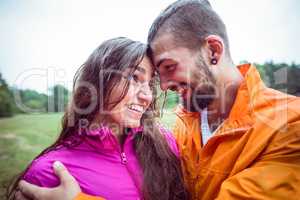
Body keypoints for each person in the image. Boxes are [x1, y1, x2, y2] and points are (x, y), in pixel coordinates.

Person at [15, 0, 300, 199]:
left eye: (167, 68)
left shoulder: (290, 125)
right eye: (137, 78)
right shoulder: (177, 132)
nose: (157, 90)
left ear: (213, 51)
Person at [8, 37, 188, 200]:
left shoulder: (165, 144)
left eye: (150, 84)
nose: (147, 96)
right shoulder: (49, 173)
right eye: (134, 77)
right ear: (98, 82)